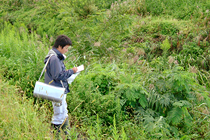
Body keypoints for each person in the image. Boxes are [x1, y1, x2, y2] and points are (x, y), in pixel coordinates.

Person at [44, 35, 77, 139]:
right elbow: (58, 75)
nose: (67, 51)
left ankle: (68, 136)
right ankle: (57, 136)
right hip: (56, 90)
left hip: (58, 89)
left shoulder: (55, 56)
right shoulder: (54, 58)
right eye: (66, 48)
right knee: (59, 114)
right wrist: (72, 71)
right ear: (59, 46)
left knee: (63, 112)